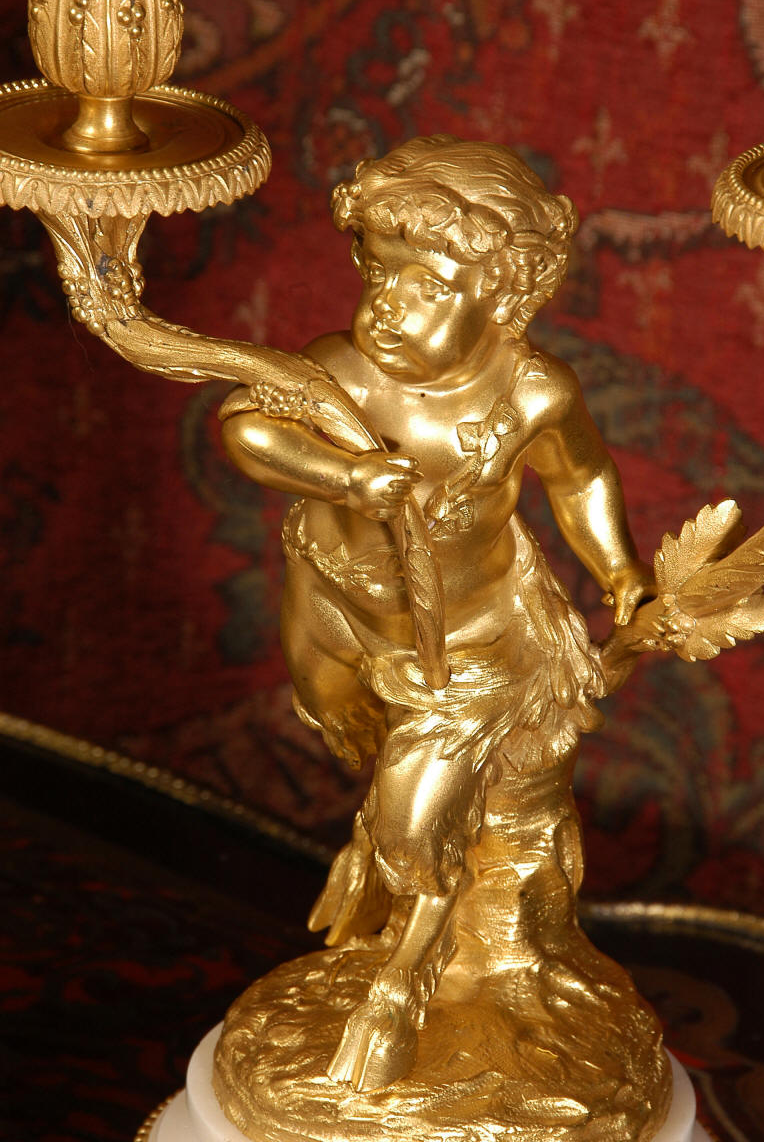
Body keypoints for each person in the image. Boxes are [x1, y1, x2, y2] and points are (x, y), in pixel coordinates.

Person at [219, 135, 654, 1092]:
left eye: (427, 287)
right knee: (338, 723)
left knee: (417, 819)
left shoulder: (532, 392)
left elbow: (579, 479)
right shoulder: (338, 368)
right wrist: (343, 476)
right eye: (380, 274)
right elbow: (245, 426)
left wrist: (619, 567)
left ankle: (411, 979)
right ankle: (394, 896)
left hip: (468, 639)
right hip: (332, 602)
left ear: (500, 297)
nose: (388, 303)